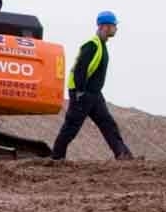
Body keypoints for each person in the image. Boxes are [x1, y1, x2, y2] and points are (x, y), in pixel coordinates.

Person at [50, 11, 133, 160]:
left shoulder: (101, 45)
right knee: (71, 127)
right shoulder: (92, 45)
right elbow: (80, 69)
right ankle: (56, 158)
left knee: (108, 124)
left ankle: (123, 154)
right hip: (82, 93)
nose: (116, 28)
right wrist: (80, 92)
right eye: (114, 25)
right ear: (105, 26)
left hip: (94, 94)